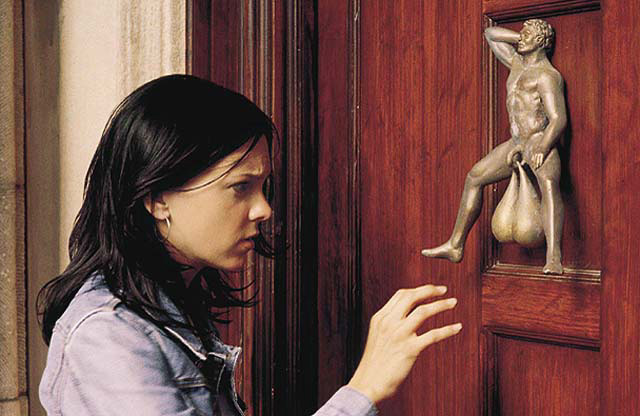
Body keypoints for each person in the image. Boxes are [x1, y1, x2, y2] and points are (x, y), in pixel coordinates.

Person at [37, 75, 462, 416]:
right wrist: (363, 389)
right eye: (240, 187)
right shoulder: (107, 337)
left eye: (263, 188)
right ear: (158, 198)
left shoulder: (170, 308)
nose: (264, 209)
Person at [422, 19, 567, 275]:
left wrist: (543, 147)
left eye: (527, 34)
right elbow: (490, 34)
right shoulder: (516, 64)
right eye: (521, 33)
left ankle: (554, 258)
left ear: (540, 41)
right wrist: (521, 39)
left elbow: (558, 119)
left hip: (538, 139)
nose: (520, 37)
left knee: (548, 185)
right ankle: (456, 244)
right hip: (517, 141)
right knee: (474, 176)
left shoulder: (547, 76)